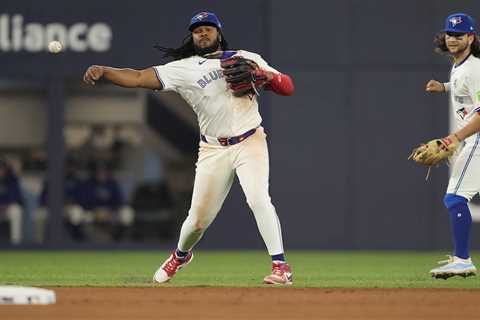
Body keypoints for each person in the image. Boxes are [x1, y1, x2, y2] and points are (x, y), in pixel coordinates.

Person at [83, 11, 295, 285]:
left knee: (258, 199)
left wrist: (263, 75)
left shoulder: (246, 57)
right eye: (197, 30)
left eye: (208, 28)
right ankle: (181, 255)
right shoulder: (183, 68)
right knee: (197, 221)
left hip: (249, 140)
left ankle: (281, 267)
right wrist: (105, 71)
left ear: (219, 33)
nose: (203, 33)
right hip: (213, 150)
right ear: (192, 37)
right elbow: (137, 77)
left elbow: (287, 87)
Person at [425, 13, 480, 279]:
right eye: (450, 34)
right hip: (471, 139)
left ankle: (462, 260)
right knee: (455, 197)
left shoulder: (474, 68)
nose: (453, 39)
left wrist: (454, 138)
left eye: (459, 35)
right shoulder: (461, 65)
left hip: (476, 139)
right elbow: (465, 89)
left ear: (471, 37)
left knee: (455, 197)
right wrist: (445, 87)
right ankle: (461, 259)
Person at [36, 158, 87, 242]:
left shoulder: (77, 181)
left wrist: (70, 205)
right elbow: (43, 199)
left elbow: (82, 199)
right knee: (40, 214)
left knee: (76, 212)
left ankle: (77, 241)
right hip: (53, 208)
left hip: (71, 208)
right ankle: (41, 243)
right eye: (67, 167)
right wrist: (54, 206)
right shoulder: (51, 180)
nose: (69, 169)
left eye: (71, 166)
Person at [81, 162, 134, 241]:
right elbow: (84, 201)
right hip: (93, 212)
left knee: (127, 214)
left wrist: (111, 211)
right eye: (99, 171)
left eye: (104, 171)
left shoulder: (112, 184)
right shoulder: (88, 184)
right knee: (80, 217)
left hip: (111, 212)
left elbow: (119, 201)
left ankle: (119, 241)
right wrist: (96, 211)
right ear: (94, 172)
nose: (101, 174)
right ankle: (87, 243)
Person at [0, 159, 24, 245]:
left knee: (16, 211)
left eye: (1, 168)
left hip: (8, 207)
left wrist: (5, 206)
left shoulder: (12, 179)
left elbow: (15, 196)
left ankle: (15, 243)